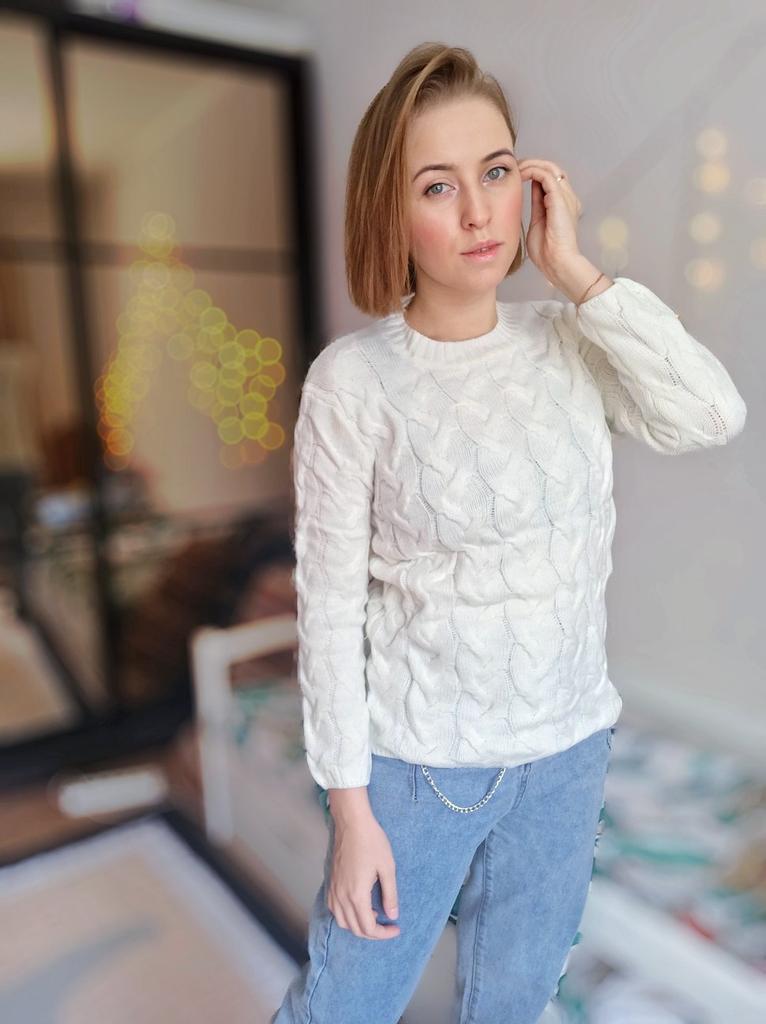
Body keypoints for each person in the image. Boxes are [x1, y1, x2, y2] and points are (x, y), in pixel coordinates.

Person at [271, 41, 747, 1024]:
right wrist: (351, 813)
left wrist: (575, 272)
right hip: (419, 773)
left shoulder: (570, 339)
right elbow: (328, 612)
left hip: (567, 760)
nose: (478, 213)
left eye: (495, 172)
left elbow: (712, 415)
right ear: (390, 212)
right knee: (342, 1009)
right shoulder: (353, 383)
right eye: (437, 186)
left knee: (513, 1008)